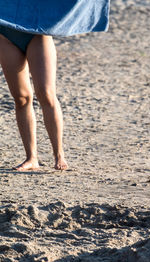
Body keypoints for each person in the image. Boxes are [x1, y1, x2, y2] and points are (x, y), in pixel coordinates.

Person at [0, 1, 110, 171]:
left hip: (37, 32)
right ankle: (31, 158)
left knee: (46, 94)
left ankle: (59, 155)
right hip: (5, 34)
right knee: (21, 98)